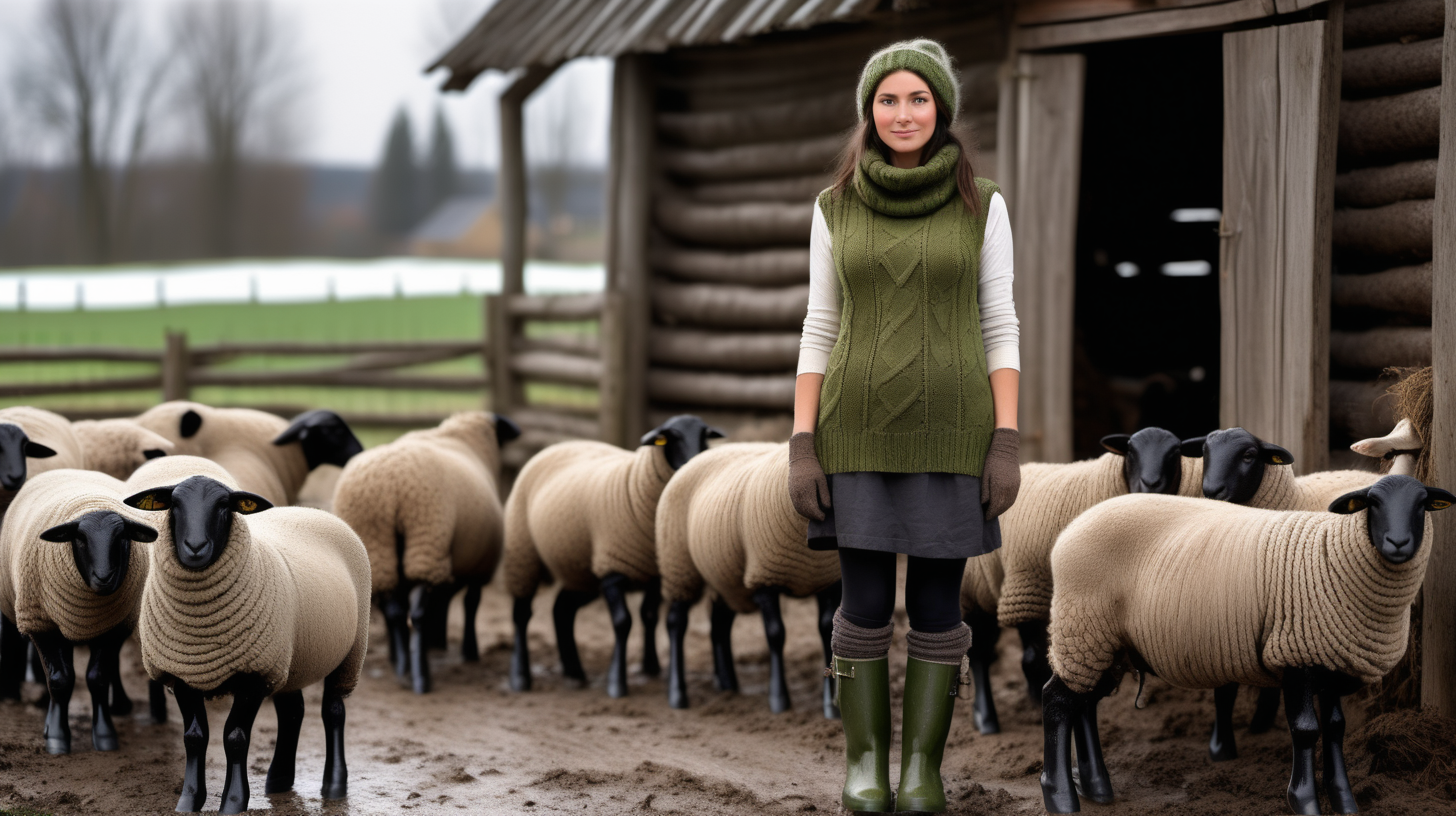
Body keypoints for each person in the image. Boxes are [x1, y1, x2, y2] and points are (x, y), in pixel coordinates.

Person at [788, 39, 1021, 814]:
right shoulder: (834, 207)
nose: (903, 113)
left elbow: (1001, 324)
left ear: (941, 108)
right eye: (887, 100)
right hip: (852, 430)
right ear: (868, 113)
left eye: (917, 98)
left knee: (937, 606)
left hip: (954, 432)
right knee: (858, 605)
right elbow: (819, 325)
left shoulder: (982, 204)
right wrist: (801, 441)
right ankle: (863, 768)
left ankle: (921, 769)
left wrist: (1007, 439)